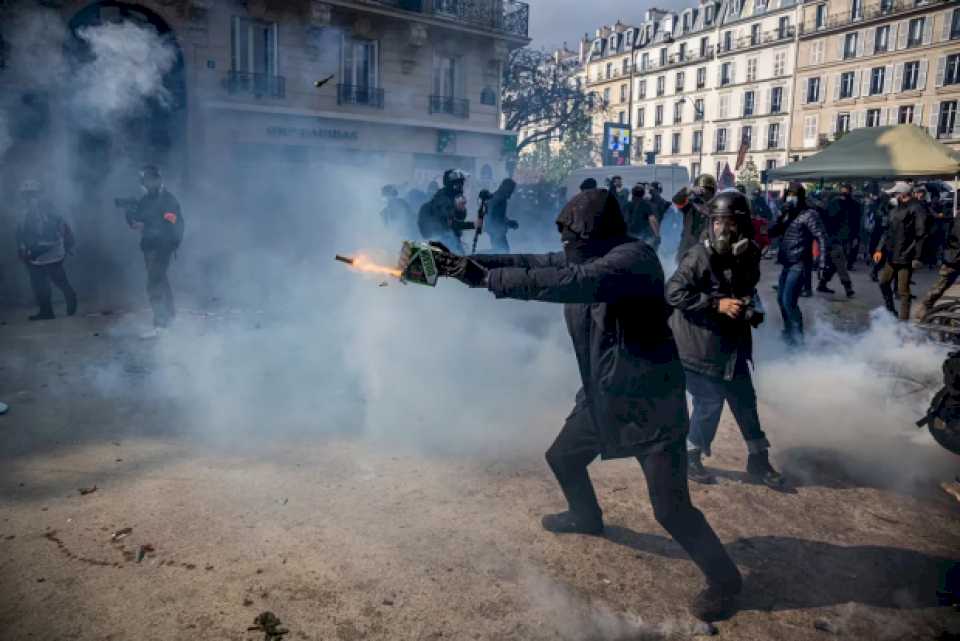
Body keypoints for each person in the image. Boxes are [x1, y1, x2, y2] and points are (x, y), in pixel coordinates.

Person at [406, 189, 744, 622]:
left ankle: (725, 580)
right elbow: (532, 263)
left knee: (670, 508)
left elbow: (570, 282)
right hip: (604, 392)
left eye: (573, 241)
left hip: (650, 403)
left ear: (596, 235)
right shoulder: (588, 254)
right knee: (562, 458)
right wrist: (457, 264)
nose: (567, 250)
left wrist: (480, 278)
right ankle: (586, 516)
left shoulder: (633, 260)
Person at [667, 192, 785, 489]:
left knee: (745, 400)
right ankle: (690, 456)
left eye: (730, 222)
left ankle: (758, 459)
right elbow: (673, 292)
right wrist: (715, 305)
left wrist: (749, 309)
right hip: (698, 343)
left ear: (742, 225)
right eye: (718, 221)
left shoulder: (750, 254)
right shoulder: (698, 255)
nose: (723, 229)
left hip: (732, 344)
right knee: (709, 402)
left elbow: (746, 290)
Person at [126, 165, 184, 335]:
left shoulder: (168, 200)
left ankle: (161, 323)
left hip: (162, 247)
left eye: (148, 180)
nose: (145, 184)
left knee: (154, 284)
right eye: (144, 181)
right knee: (161, 281)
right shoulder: (145, 200)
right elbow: (136, 221)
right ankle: (170, 317)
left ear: (157, 180)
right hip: (149, 247)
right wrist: (129, 214)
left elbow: (170, 223)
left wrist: (147, 224)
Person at [769, 182, 828, 346]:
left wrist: (822, 263)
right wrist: (780, 214)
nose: (790, 197)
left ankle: (797, 338)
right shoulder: (788, 213)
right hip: (787, 263)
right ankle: (789, 332)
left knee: (789, 301)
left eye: (794, 194)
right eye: (789, 194)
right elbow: (771, 231)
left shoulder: (809, 214)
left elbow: (822, 237)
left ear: (801, 197)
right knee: (781, 299)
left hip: (800, 263)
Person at [15, 179, 77, 321]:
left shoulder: (49, 209)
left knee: (59, 279)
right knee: (39, 285)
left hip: (51, 251)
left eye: (32, 194)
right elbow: (19, 232)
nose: (29, 197)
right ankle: (46, 311)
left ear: (38, 193)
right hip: (34, 254)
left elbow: (63, 227)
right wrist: (22, 248)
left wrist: (68, 244)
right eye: (26, 195)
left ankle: (70, 296)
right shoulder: (22, 212)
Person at [874, 182, 929, 321]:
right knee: (883, 283)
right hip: (892, 254)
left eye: (895, 193)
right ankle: (890, 309)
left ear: (903, 194)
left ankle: (903, 323)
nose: (893, 195)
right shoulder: (895, 208)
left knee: (903, 291)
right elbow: (887, 231)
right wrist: (879, 249)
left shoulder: (917, 208)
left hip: (906, 256)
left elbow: (921, 234)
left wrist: (917, 257)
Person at [418, 169, 474, 253]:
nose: (462, 186)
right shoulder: (444, 200)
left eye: (462, 183)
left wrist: (460, 209)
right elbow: (452, 224)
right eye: (459, 183)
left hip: (448, 239)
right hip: (444, 241)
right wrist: (473, 225)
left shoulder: (452, 197)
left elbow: (460, 217)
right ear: (453, 185)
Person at [817, 183, 857, 298]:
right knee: (840, 263)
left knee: (834, 263)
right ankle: (848, 287)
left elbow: (852, 222)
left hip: (838, 238)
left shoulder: (839, 205)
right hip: (833, 239)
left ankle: (822, 283)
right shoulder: (833, 205)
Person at [920, 205, 960, 317]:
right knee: (940, 286)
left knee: (941, 285)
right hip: (954, 259)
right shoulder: (958, 220)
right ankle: (925, 308)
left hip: (954, 258)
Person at [673, 174, 718, 263]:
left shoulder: (716, 207)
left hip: (705, 251)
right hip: (686, 249)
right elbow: (676, 200)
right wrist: (689, 190)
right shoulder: (689, 206)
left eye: (708, 190)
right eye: (702, 190)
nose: (705, 193)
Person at [484, 178, 519, 252]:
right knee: (503, 252)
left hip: (495, 230)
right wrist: (509, 223)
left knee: (501, 252)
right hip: (496, 231)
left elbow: (499, 216)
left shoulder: (498, 196)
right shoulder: (500, 198)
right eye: (511, 190)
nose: (511, 193)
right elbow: (496, 217)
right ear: (507, 189)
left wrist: (508, 222)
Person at [623, 183, 660, 248]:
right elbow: (652, 220)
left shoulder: (626, 205)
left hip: (629, 236)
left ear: (632, 193)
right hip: (644, 236)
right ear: (643, 193)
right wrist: (657, 235)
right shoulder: (646, 205)